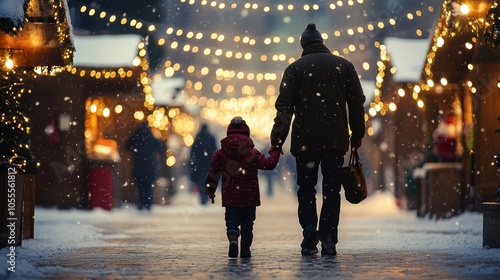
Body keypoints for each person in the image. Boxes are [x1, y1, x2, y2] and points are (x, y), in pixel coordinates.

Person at [270, 23, 366, 256]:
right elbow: (356, 103)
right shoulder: (344, 66)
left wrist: (277, 139)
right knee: (332, 189)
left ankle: (310, 233)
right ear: (322, 42)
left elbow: (284, 108)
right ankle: (329, 237)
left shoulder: (294, 70)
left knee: (306, 188)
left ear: (303, 46)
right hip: (335, 141)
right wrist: (357, 134)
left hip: (306, 142)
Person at [205, 116, 281, 258]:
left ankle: (233, 237)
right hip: (249, 196)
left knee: (232, 221)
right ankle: (245, 249)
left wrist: (210, 190)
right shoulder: (253, 153)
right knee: (248, 224)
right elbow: (269, 164)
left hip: (230, 196)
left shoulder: (220, 154)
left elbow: (213, 173)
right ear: (247, 132)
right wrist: (275, 150)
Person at [126, 122, 166, 212]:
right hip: (149, 167)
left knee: (140, 187)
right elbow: (160, 148)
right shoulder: (151, 137)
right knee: (148, 187)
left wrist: (136, 152)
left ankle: (141, 203)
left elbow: (127, 146)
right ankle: (148, 204)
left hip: (139, 166)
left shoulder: (136, 136)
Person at [189, 123, 217, 205]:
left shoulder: (198, 137)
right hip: (209, 162)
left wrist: (192, 161)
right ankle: (207, 195)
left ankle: (203, 197)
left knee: (201, 181)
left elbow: (193, 150)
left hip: (199, 163)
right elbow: (215, 150)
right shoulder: (211, 137)